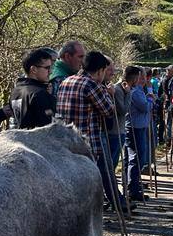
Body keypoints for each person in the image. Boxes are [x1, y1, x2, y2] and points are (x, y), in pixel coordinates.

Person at [55, 51, 128, 214]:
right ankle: (91, 217)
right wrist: (109, 95)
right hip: (88, 143)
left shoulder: (66, 81)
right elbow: (109, 111)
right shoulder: (91, 85)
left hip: (65, 142)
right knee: (91, 183)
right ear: (100, 70)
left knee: (73, 183)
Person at [9, 48, 56, 129]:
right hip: (38, 140)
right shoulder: (39, 94)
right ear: (33, 69)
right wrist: (50, 98)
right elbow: (48, 128)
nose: (50, 71)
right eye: (47, 68)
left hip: (20, 139)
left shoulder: (15, 91)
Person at [122, 65, 150, 200]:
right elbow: (145, 107)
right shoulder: (136, 91)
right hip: (135, 127)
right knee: (137, 158)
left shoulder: (138, 90)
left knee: (133, 158)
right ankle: (132, 189)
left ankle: (132, 186)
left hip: (136, 126)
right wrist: (151, 99)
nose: (144, 79)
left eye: (144, 76)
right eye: (142, 76)